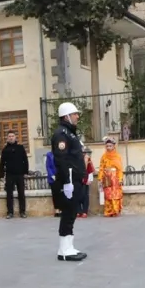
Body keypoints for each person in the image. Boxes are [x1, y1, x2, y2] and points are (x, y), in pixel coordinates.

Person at [51, 103, 87, 262]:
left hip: (75, 179)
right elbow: (61, 159)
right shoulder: (61, 134)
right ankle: (64, 250)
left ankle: (69, 246)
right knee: (68, 213)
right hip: (69, 180)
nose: (77, 116)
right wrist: (66, 182)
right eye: (74, 114)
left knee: (72, 213)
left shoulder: (70, 133)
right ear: (66, 116)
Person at [0, 131, 29, 218]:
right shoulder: (5, 150)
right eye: (9, 136)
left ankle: (22, 212)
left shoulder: (20, 148)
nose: (11, 137)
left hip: (19, 174)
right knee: (9, 194)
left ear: (15, 137)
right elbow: (2, 163)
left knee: (21, 193)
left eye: (12, 136)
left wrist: (25, 172)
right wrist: (1, 175)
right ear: (7, 138)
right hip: (9, 175)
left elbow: (25, 160)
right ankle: (10, 212)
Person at [98, 137, 124, 217]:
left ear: (113, 146)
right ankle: (108, 211)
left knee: (115, 195)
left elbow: (120, 169)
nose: (108, 147)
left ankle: (115, 211)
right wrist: (100, 178)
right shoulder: (103, 156)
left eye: (110, 146)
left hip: (115, 178)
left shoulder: (117, 156)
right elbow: (101, 168)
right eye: (107, 146)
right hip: (107, 178)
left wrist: (120, 179)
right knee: (108, 195)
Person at [79, 149, 95, 218]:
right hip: (77, 180)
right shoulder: (74, 158)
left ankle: (85, 211)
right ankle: (78, 211)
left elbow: (90, 169)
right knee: (77, 196)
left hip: (85, 180)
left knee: (85, 196)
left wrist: (90, 179)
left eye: (83, 152)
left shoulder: (87, 159)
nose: (83, 153)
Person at [46, 151, 61, 217]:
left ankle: (62, 209)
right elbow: (48, 166)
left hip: (61, 177)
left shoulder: (62, 153)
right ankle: (57, 210)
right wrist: (52, 175)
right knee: (55, 195)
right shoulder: (49, 155)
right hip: (53, 178)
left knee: (62, 194)